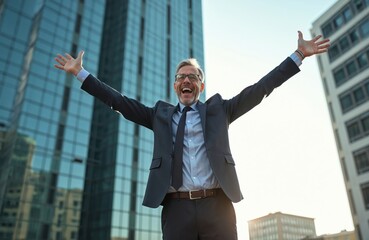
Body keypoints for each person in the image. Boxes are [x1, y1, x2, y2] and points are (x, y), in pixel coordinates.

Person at [54, 31, 330, 240]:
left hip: (218, 206)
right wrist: (81, 74)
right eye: (181, 76)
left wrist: (299, 56)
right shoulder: (158, 116)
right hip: (176, 209)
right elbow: (119, 101)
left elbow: (261, 89)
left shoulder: (220, 110)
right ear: (175, 85)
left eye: (193, 76)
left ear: (201, 84)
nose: (186, 80)